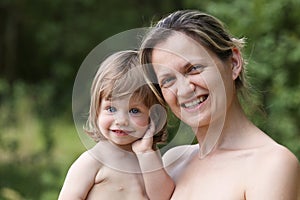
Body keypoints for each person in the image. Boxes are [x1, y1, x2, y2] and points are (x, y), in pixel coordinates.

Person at [139, 10, 300, 199]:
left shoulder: (272, 164)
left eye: (193, 69)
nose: (184, 90)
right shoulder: (173, 163)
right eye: (167, 80)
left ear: (233, 63)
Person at [58, 50, 174, 200]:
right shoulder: (93, 160)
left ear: (153, 117)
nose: (121, 121)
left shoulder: (150, 155)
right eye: (111, 109)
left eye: (134, 110)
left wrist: (146, 153)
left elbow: (164, 197)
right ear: (97, 110)